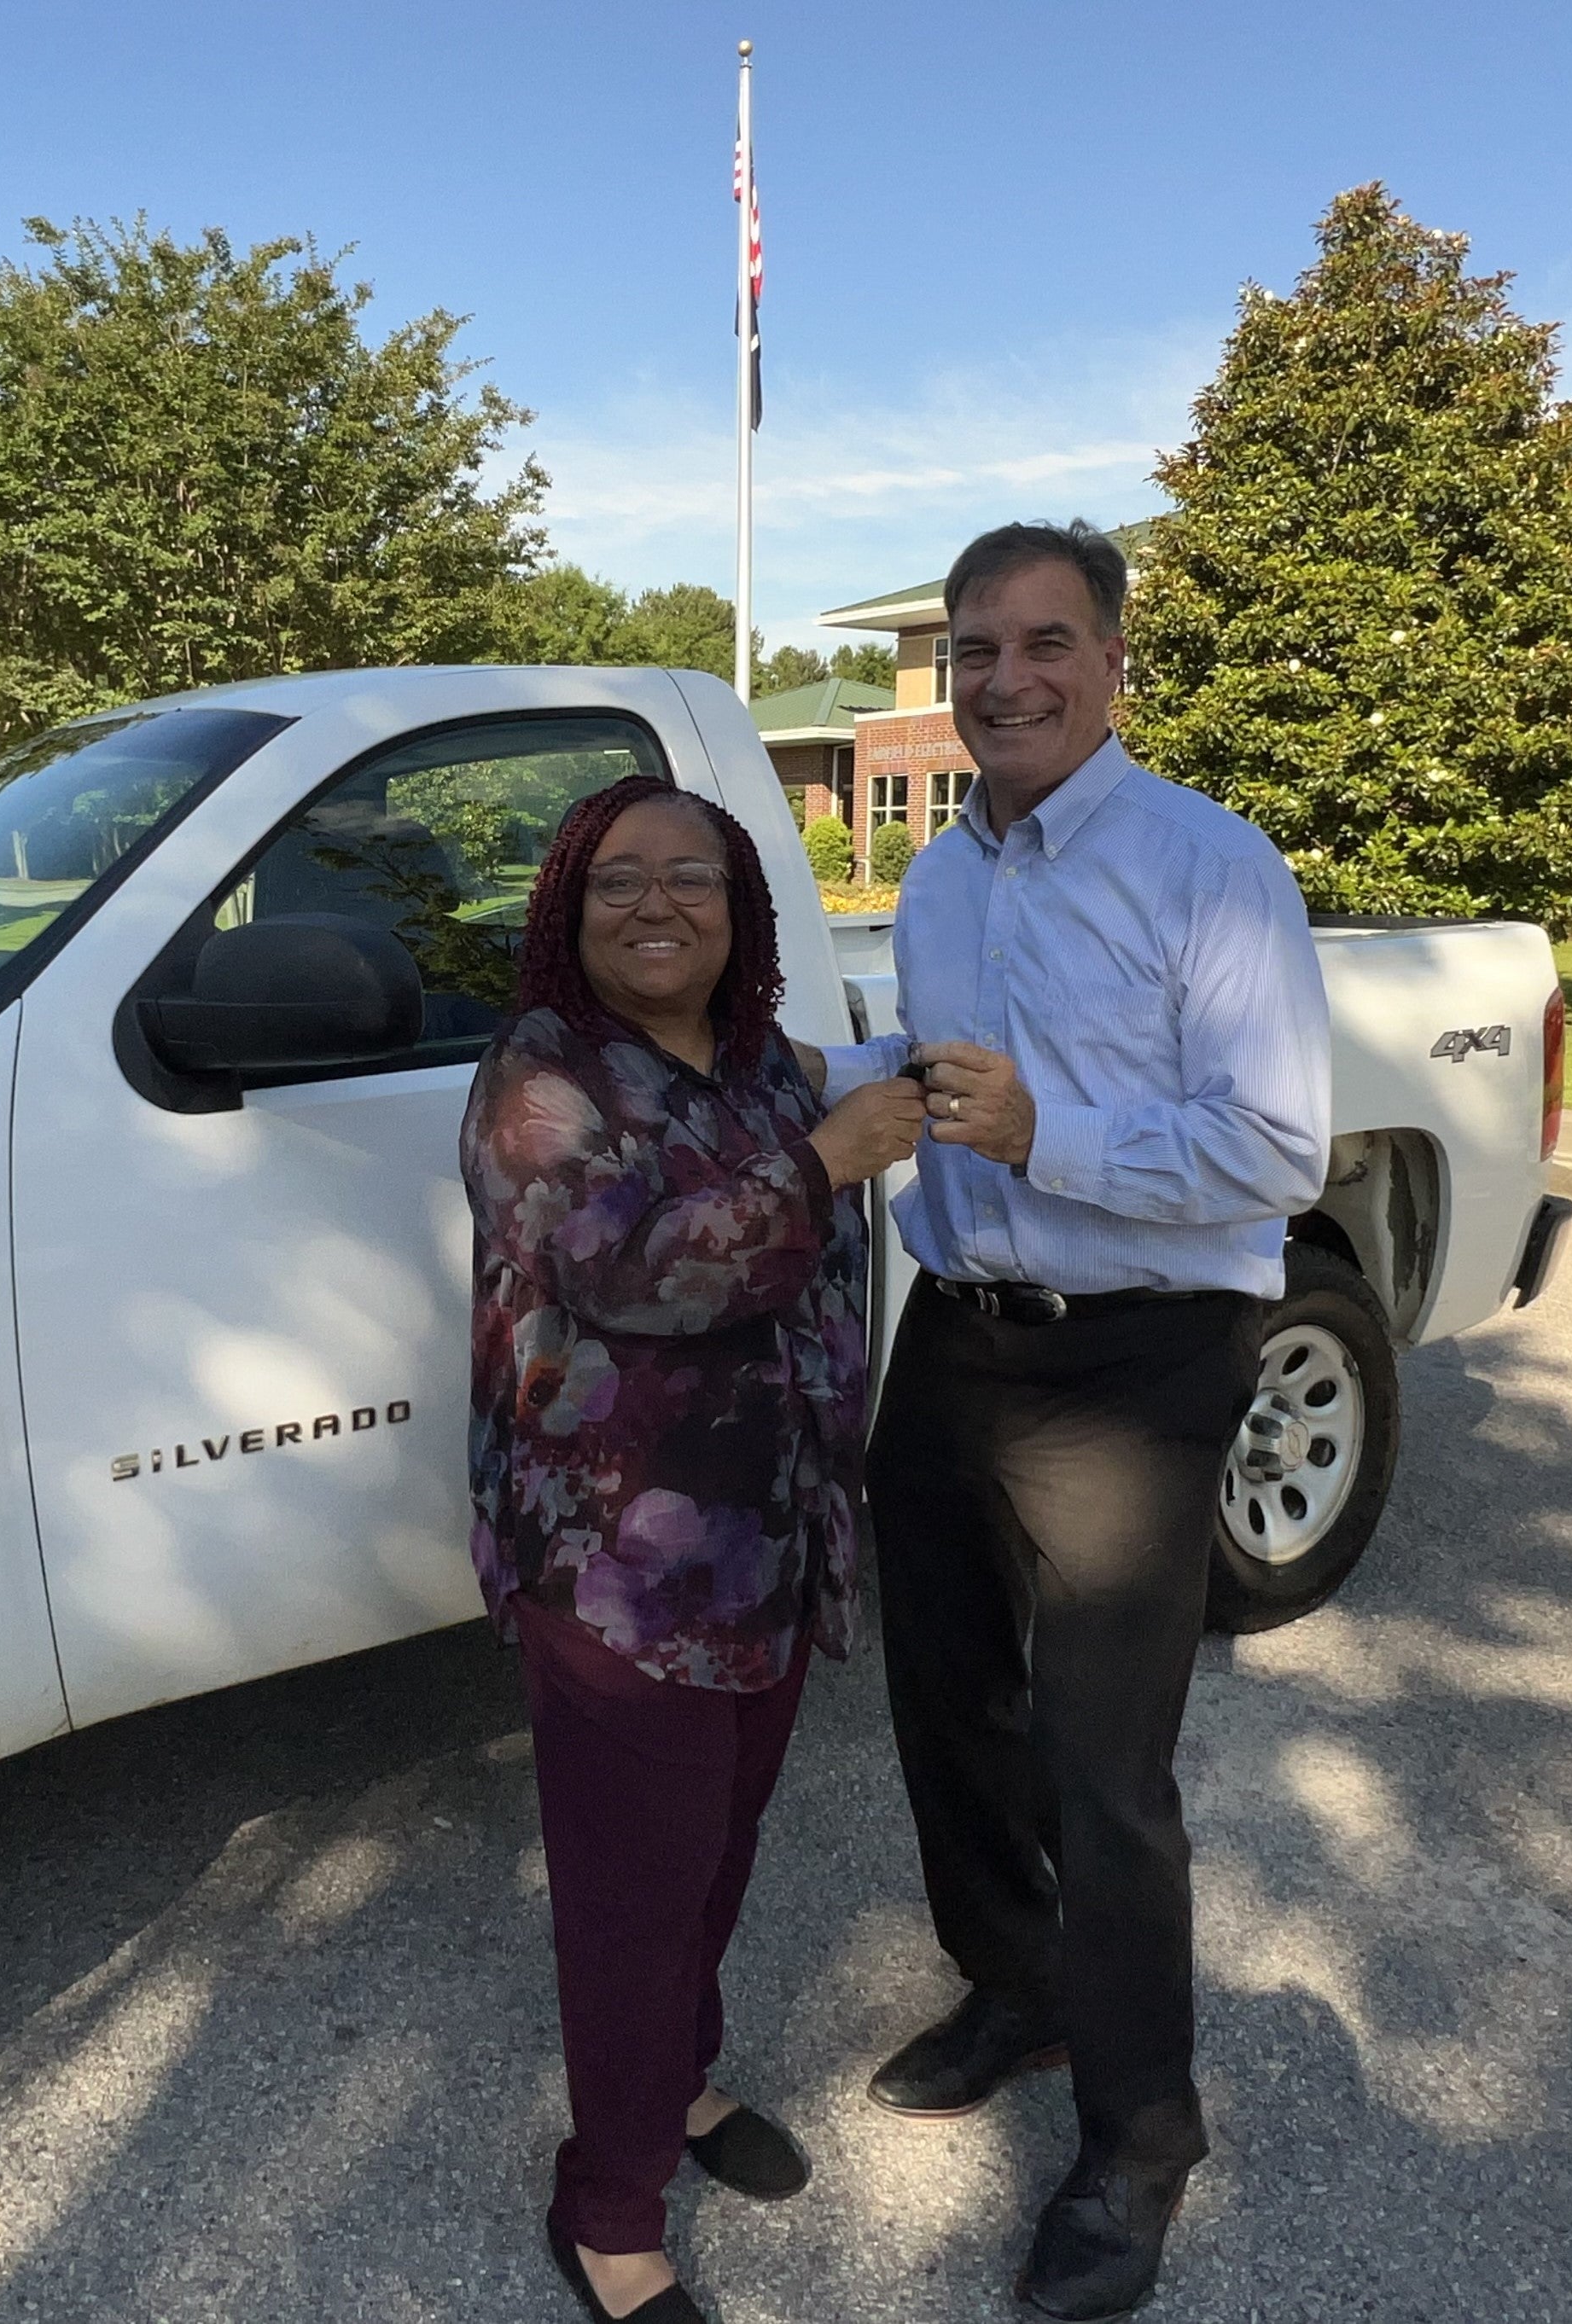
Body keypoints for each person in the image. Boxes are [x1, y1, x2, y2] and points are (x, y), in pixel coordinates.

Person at [812, 522, 1330, 2319]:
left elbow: (1275, 1151)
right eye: (970, 648)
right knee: (941, 1699)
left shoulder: (1207, 867)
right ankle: (1014, 1984)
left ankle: (1138, 2137)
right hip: (959, 1342)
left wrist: (1049, 1139)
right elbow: (933, 1097)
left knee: (1102, 1770)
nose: (1000, 679)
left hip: (1139, 1361)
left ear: (1112, 662)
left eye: (1041, 643)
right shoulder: (942, 884)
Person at [461, 777, 926, 2324]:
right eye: (618, 883)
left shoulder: (751, 1066)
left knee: (714, 1853)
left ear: (740, 915)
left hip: (771, 1550)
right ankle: (605, 2208)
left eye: (694, 882)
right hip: (617, 1575)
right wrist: (824, 1164)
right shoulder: (538, 1082)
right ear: (566, 909)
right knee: (629, 1892)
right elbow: (631, 1271)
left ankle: (677, 2086)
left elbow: (855, 1116)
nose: (657, 906)